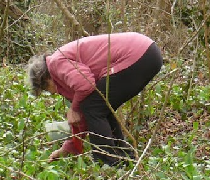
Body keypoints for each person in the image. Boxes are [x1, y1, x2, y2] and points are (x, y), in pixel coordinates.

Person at [27, 32, 163, 166]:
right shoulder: (60, 69)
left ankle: (107, 163)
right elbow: (84, 116)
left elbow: (86, 85)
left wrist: (73, 109)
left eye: (46, 90)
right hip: (148, 53)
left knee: (94, 107)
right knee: (99, 107)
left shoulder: (56, 64)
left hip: (138, 55)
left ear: (45, 80)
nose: (51, 93)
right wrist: (67, 148)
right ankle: (124, 158)